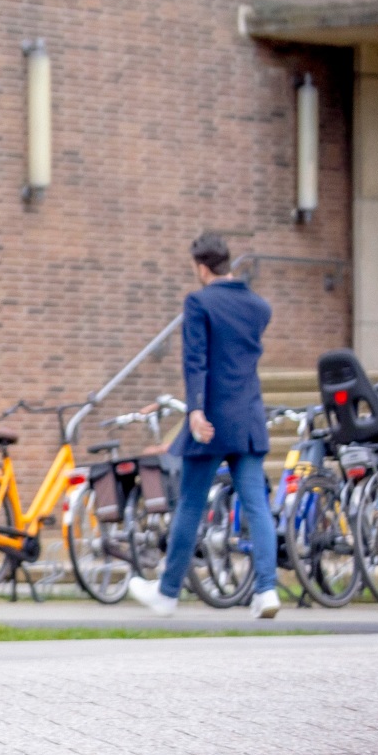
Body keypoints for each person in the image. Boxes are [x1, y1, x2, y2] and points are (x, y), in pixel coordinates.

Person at [130, 233, 280, 619]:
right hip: (248, 419)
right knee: (257, 505)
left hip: (211, 421)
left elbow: (195, 360)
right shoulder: (259, 307)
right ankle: (266, 590)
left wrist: (195, 410)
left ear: (201, 268)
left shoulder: (199, 302)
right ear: (227, 261)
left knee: (190, 505)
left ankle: (167, 593)